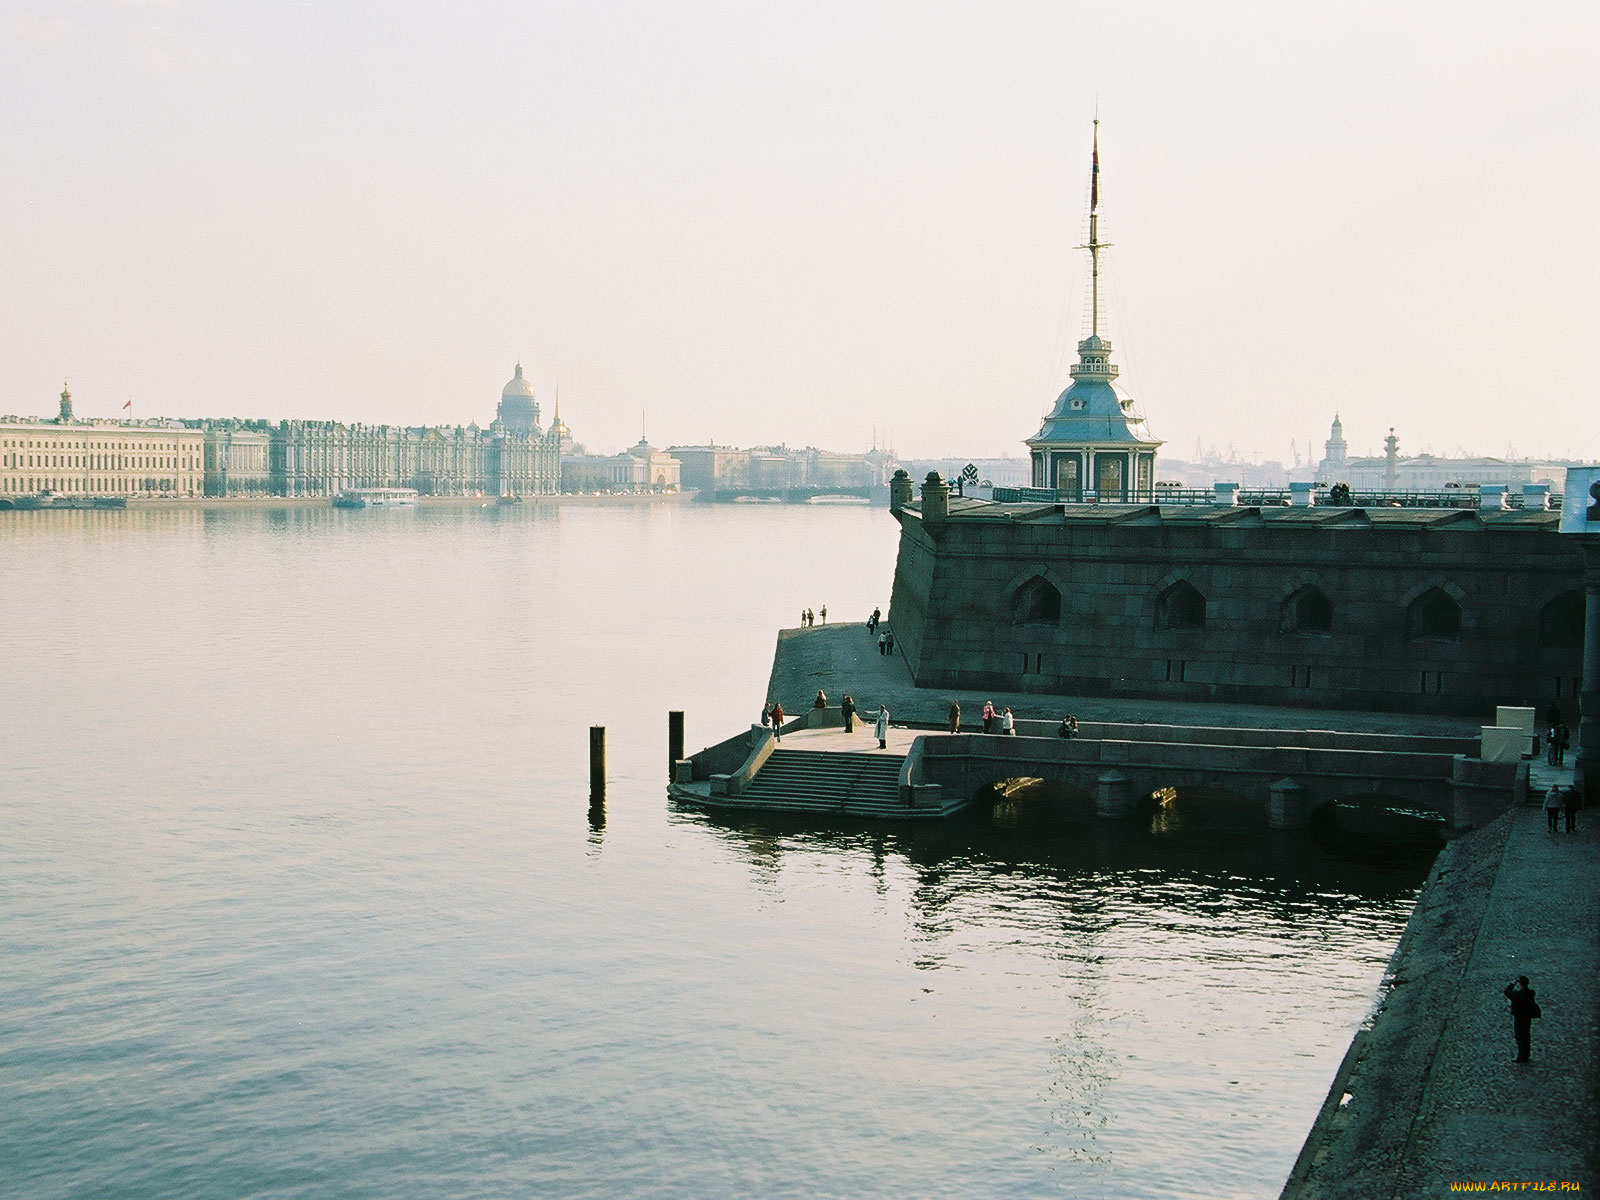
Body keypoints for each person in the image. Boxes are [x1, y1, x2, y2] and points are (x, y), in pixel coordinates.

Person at [1503, 976, 1539, 1062]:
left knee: (1520, 1037)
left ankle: (1521, 1056)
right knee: (1526, 1036)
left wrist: (1512, 984)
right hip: (1527, 1017)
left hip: (1519, 1018)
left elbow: (1507, 992)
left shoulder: (1519, 995)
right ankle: (1526, 1054)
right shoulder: (1530, 993)